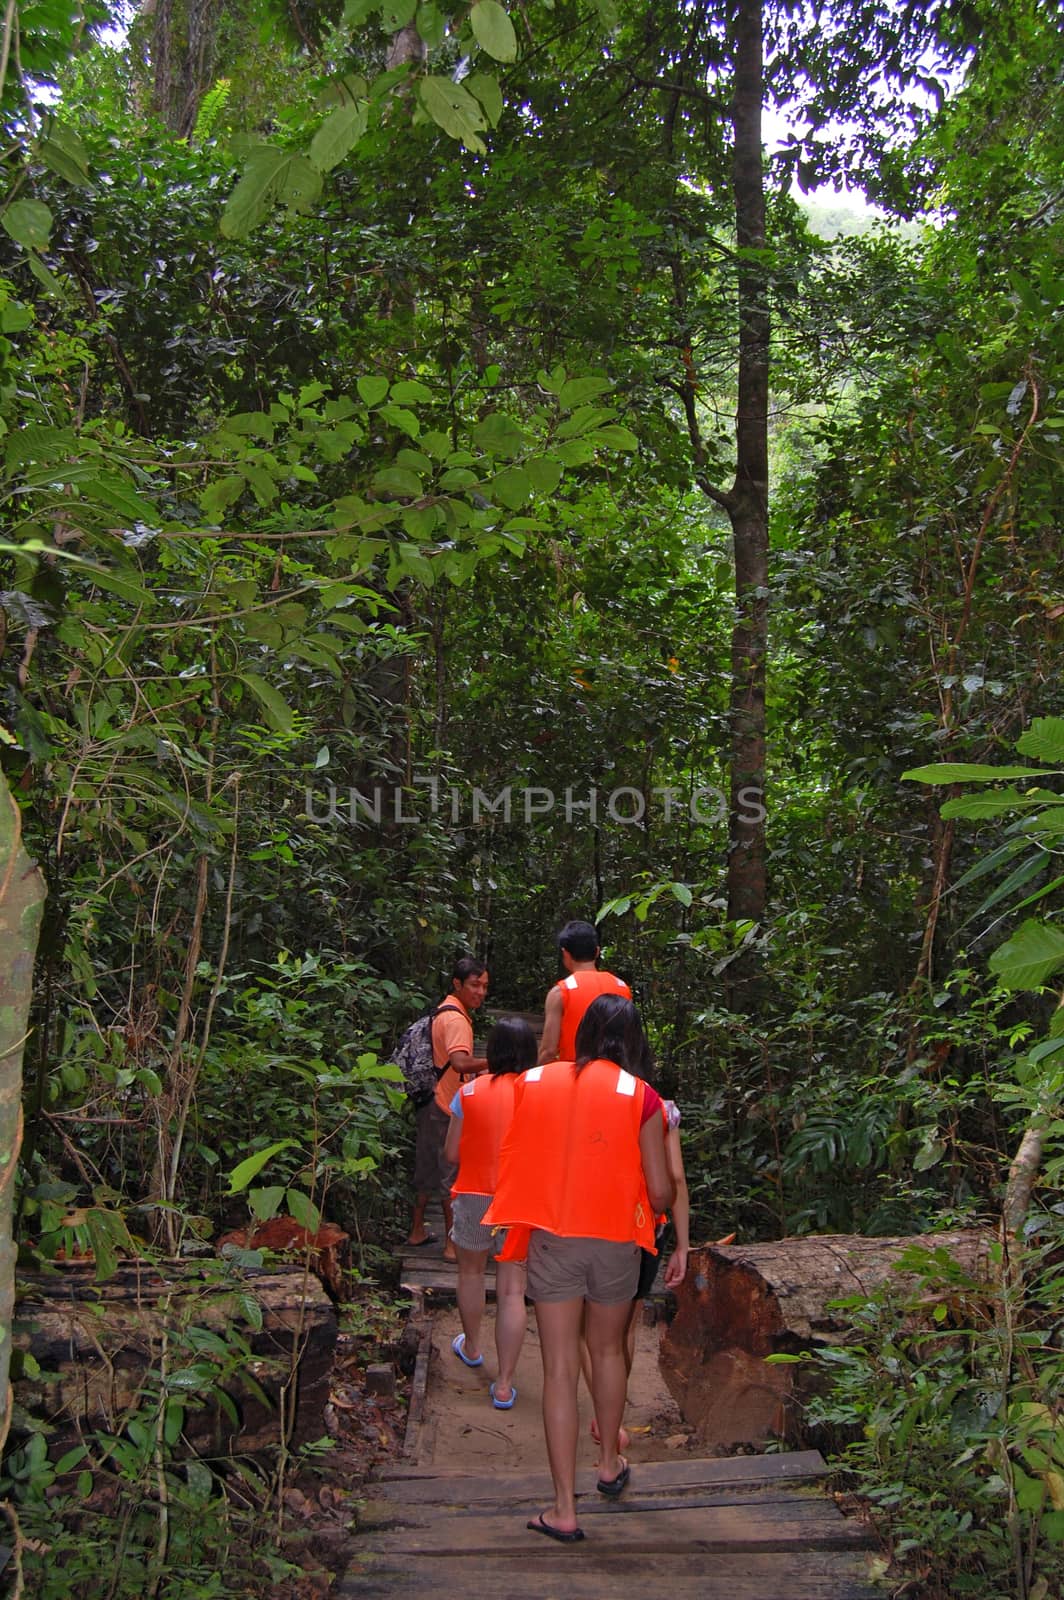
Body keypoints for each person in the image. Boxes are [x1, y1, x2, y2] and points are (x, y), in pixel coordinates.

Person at [484, 994, 675, 1544]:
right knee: (608, 1351)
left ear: (582, 1036)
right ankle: (609, 1463)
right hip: (617, 1243)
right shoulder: (642, 1098)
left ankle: (564, 1509)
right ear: (635, 1042)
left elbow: (516, 1152)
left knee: (560, 1368)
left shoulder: (537, 1081)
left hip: (552, 1239)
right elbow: (661, 1192)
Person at [584, 1094, 690, 1454]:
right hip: (645, 1227)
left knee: (590, 1330)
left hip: (595, 1220)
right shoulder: (660, 1107)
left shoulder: (590, 1098)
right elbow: (674, 1176)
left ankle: (603, 1416)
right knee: (624, 1327)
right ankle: (610, 1417)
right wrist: (683, 1245)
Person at [443, 1016, 536, 1407]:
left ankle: (474, 1347)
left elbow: (450, 1153)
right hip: (520, 1199)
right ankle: (504, 1383)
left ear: (491, 1051)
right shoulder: (538, 1093)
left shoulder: (468, 1093)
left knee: (471, 1272)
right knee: (513, 1289)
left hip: (474, 1194)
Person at [405, 956, 489, 1261]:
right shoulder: (456, 1019)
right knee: (449, 1175)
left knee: (426, 1169)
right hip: (444, 1105)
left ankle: (417, 1231)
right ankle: (453, 1244)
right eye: (474, 985)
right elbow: (459, 1061)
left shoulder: (444, 1009)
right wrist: (494, 1063)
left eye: (484, 986)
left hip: (430, 1099)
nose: (480, 992)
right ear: (458, 984)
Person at [537, 919, 631, 1065]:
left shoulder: (561, 992)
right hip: (614, 1074)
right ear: (597, 951)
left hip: (575, 1074)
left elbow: (549, 1051)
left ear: (565, 953)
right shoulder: (622, 988)